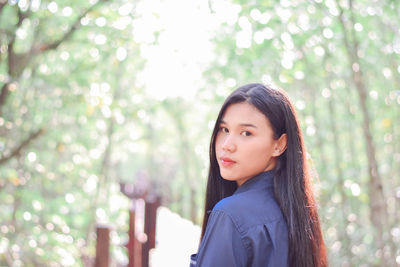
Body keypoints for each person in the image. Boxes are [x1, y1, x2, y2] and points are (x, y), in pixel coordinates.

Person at [190, 83, 327, 267]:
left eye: (246, 133)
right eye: (224, 129)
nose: (227, 145)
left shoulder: (231, 214)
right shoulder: (298, 214)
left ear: (279, 144)